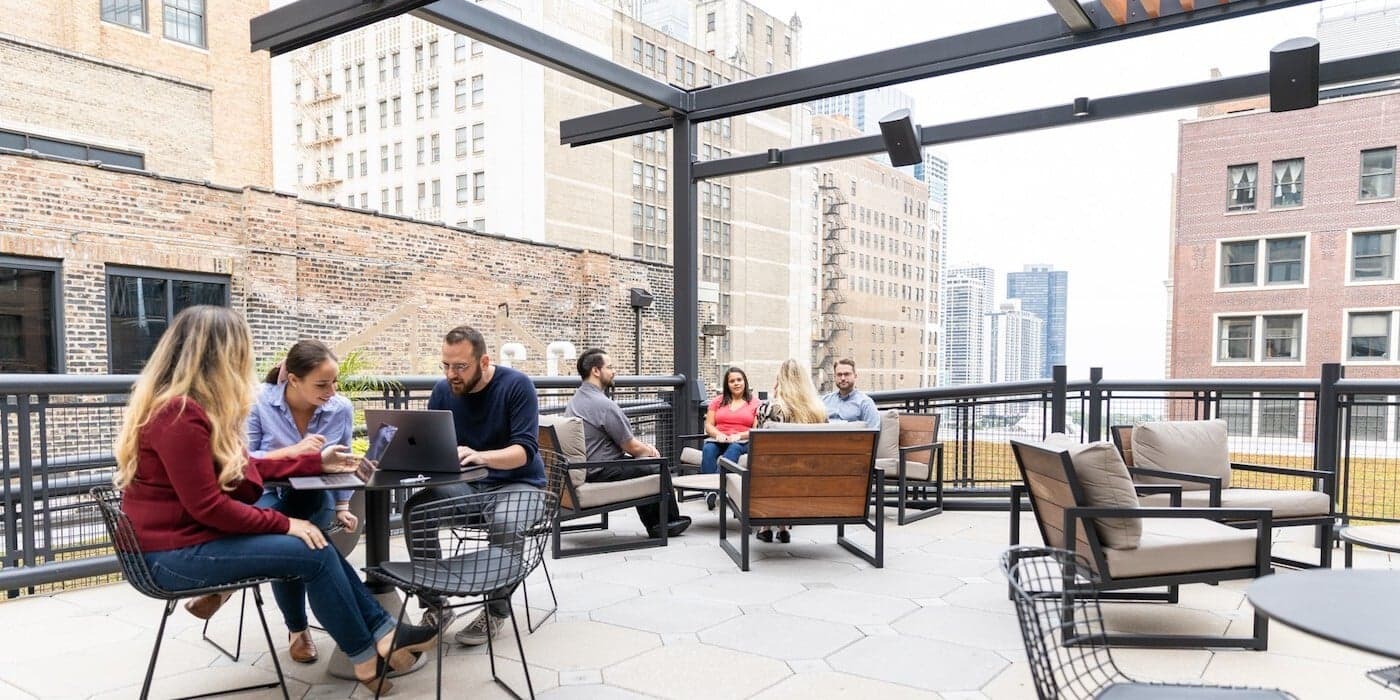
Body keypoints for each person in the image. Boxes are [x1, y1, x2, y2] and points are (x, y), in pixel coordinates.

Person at [114, 306, 436, 695]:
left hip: (182, 541)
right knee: (311, 547)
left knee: (313, 539)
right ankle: (369, 653)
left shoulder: (184, 408)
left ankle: (380, 640)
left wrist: (314, 460)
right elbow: (209, 507)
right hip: (168, 557)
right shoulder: (180, 416)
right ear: (222, 357)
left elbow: (239, 469)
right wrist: (285, 524)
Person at [401, 325, 547, 648]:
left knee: (506, 522)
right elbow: (435, 445)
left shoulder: (517, 386)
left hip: (521, 484)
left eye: (460, 367)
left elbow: (524, 452)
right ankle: (436, 606)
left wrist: (480, 456)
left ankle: (495, 610)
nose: (451, 374)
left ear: (484, 362)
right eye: (446, 365)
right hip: (469, 487)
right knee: (416, 509)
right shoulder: (442, 392)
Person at [565, 348, 691, 538]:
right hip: (601, 470)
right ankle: (667, 523)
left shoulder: (575, 400)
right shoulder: (603, 404)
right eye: (610, 367)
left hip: (585, 467)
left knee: (643, 465)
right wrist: (650, 449)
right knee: (658, 465)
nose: (614, 371)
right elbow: (630, 446)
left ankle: (657, 523)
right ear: (596, 371)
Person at [753, 358, 829, 543]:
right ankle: (782, 527)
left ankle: (766, 527)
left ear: (780, 381)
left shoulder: (770, 408)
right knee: (789, 469)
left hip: (775, 478)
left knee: (772, 468)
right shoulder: (819, 410)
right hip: (809, 477)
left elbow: (759, 448)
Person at [700, 367, 760, 477]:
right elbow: (708, 425)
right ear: (727, 384)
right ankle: (709, 490)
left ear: (744, 381)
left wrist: (739, 436)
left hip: (743, 441)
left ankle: (717, 488)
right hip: (719, 439)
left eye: (739, 380)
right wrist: (718, 434)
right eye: (732, 381)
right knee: (708, 449)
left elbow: (756, 430)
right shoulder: (717, 401)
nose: (736, 383)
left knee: (734, 448)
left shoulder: (755, 403)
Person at [821, 358, 880, 428]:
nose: (843, 378)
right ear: (834, 377)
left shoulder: (865, 403)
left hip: (852, 438)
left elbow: (873, 431)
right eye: (839, 375)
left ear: (855, 376)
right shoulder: (824, 401)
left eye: (846, 374)